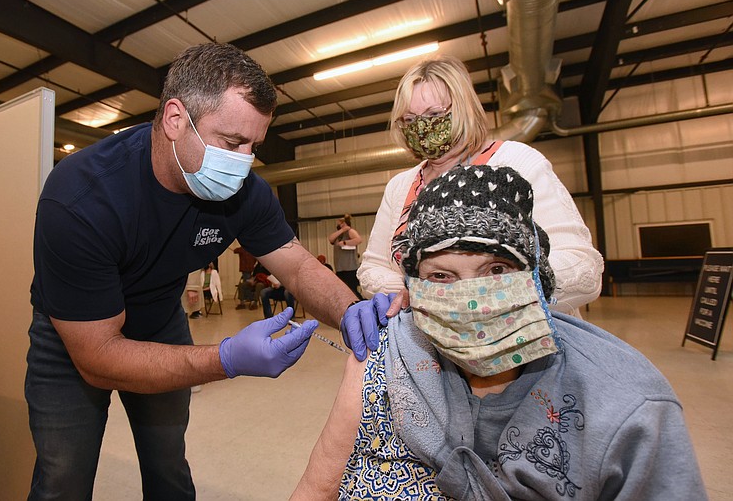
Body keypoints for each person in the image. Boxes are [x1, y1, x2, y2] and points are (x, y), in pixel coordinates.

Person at [25, 42, 392, 499]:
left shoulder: (243, 193)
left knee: (167, 464)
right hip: (74, 336)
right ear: (176, 119)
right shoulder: (80, 199)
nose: (244, 162)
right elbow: (97, 356)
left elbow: (296, 266)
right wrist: (227, 358)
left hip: (159, 320)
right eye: (233, 143)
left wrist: (349, 307)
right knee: (63, 477)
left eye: (254, 146)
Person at [292, 165, 706, 500]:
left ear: (535, 276)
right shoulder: (390, 351)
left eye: (496, 270)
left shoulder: (624, 402)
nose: (470, 297)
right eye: (440, 275)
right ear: (412, 288)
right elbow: (317, 486)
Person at [356, 55, 603, 317]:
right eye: (408, 120)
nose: (420, 127)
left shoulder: (518, 162)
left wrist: (485, 291)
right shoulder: (399, 186)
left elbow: (583, 267)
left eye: (434, 115)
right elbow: (372, 269)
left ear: (464, 108)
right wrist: (416, 292)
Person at [328, 214, 363, 299]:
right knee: (342, 291)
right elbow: (331, 239)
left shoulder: (350, 232)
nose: (339, 225)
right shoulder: (338, 235)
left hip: (350, 268)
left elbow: (359, 239)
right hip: (340, 268)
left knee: (352, 290)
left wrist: (345, 243)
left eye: (341, 223)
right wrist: (342, 230)